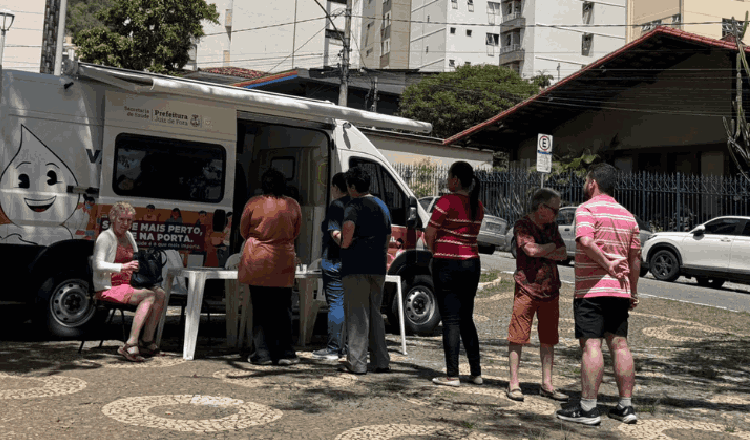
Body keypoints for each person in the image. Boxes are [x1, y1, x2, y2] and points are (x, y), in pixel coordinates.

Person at [556, 163, 640, 426]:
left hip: (591, 289)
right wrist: (633, 291)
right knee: (620, 344)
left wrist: (607, 264)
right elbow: (635, 258)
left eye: (586, 180)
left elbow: (585, 241)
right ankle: (625, 406)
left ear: (593, 183)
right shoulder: (628, 216)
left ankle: (588, 408)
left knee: (592, 345)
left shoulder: (586, 209)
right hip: (620, 291)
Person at [424, 161, 483, 387]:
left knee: (450, 319)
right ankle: (476, 373)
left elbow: (430, 233)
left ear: (456, 180)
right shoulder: (478, 205)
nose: (448, 181)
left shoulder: (446, 201)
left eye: (449, 177)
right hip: (471, 263)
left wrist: (436, 253)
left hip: (447, 263)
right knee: (466, 317)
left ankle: (452, 375)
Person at [507, 188, 568, 402]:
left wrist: (544, 249)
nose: (557, 215)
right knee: (517, 336)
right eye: (554, 210)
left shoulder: (552, 227)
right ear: (541, 208)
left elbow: (563, 253)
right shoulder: (523, 225)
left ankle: (547, 384)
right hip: (527, 287)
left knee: (549, 338)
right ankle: (514, 383)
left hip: (550, 289)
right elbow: (529, 250)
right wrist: (550, 247)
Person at [238, 168, 302, 366]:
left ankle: (262, 353)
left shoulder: (254, 203)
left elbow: (243, 230)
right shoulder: (293, 205)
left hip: (257, 260)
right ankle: (285, 353)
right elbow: (296, 231)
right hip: (283, 261)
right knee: (283, 309)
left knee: (260, 309)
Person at [93, 201, 166, 362]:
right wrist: (122, 267)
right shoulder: (105, 237)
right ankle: (130, 343)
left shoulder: (129, 236)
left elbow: (136, 258)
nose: (125, 224)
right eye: (121, 219)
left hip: (128, 283)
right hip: (109, 286)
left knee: (160, 293)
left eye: (129, 220)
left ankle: (146, 341)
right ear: (113, 218)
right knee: (148, 296)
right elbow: (97, 265)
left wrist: (140, 265)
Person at [338, 166, 391, 375]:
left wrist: (341, 242)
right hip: (378, 265)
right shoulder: (381, 205)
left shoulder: (353, 205)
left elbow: (347, 235)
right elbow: (388, 236)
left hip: (356, 265)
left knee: (357, 315)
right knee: (375, 314)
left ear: (352, 187)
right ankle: (381, 361)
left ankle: (357, 363)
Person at [312, 173, 350, 361]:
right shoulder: (356, 204)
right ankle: (349, 346)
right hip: (351, 263)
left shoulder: (336, 205)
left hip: (334, 261)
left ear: (335, 187)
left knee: (335, 304)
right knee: (349, 305)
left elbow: (335, 234)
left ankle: (334, 348)